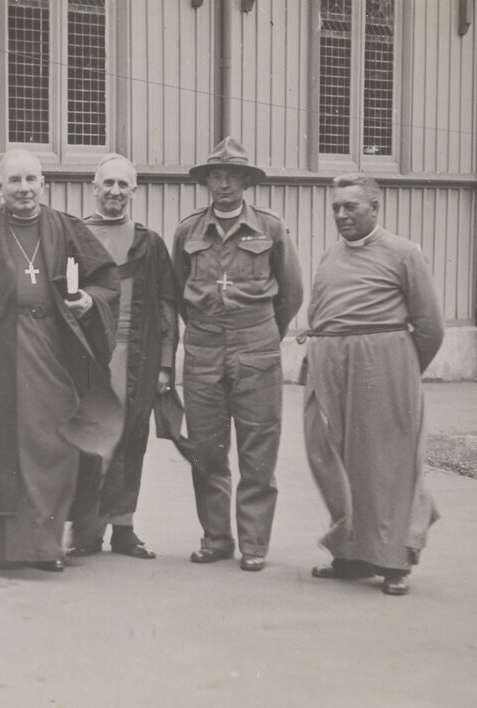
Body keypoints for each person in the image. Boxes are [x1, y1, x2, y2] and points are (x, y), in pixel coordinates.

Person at [0, 150, 122, 574]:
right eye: (14, 180)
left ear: (45, 185)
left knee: (50, 447)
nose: (24, 188)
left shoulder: (65, 228)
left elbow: (104, 279)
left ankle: (42, 547)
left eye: (31, 180)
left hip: (50, 350)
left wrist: (86, 301)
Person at [303, 174, 444, 596]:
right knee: (332, 456)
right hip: (329, 365)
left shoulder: (403, 253)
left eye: (352, 207)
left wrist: (397, 368)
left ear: (375, 209)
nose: (342, 215)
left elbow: (430, 327)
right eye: (336, 208)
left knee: (386, 465)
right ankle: (350, 554)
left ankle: (394, 561)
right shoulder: (330, 255)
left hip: (383, 368)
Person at [172, 136, 303, 572]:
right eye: (216, 175)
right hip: (205, 348)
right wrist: (208, 331)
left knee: (257, 449)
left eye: (233, 176)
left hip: (256, 347)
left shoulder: (271, 227)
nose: (224, 184)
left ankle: (254, 543)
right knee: (207, 449)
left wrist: (261, 333)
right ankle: (216, 538)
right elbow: (178, 292)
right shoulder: (188, 230)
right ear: (207, 180)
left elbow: (291, 293)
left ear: (246, 182)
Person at [68, 154, 178, 560]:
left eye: (123, 185)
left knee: (131, 439)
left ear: (135, 190)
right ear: (94, 188)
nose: (115, 191)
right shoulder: (74, 235)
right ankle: (87, 530)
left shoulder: (149, 243)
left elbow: (167, 306)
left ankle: (124, 528)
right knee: (89, 438)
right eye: (108, 183)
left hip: (136, 355)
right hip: (89, 354)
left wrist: (165, 364)